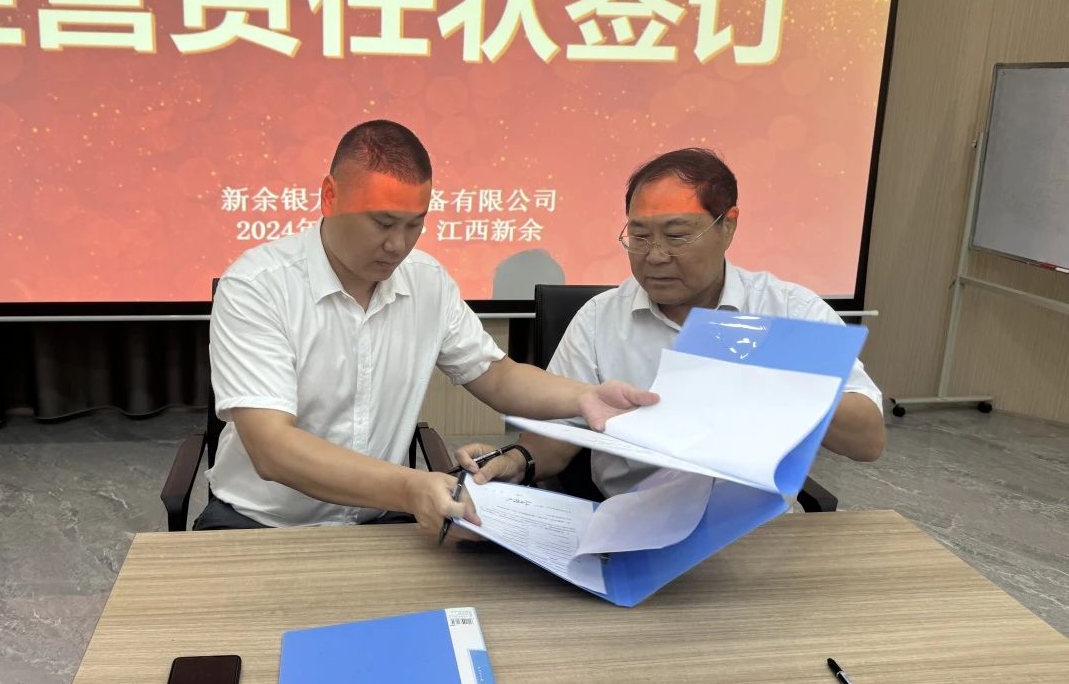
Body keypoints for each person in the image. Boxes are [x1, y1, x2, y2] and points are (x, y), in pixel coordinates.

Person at [196, 119, 657, 537]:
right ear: (330, 196)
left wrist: (583, 398)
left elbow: (497, 376)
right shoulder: (258, 286)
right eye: (382, 223)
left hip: (379, 522)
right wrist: (409, 487)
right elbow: (272, 448)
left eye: (415, 224)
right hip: (259, 524)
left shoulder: (426, 281)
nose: (397, 245)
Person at [458, 147, 886, 495]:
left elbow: (867, 439)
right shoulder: (599, 319)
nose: (656, 256)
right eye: (640, 236)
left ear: (728, 226)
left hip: (754, 530)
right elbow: (556, 438)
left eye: (677, 236)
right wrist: (517, 461)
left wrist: (775, 382)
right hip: (629, 523)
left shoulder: (788, 310)